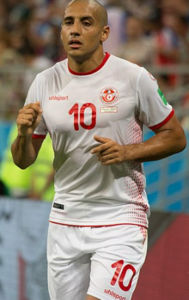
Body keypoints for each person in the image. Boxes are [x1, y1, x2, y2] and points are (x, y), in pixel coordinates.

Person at [11, 0, 187, 300]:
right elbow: (22, 161)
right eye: (68, 22)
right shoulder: (45, 82)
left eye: (85, 23)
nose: (74, 30)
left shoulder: (133, 78)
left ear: (105, 32)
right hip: (66, 219)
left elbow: (175, 136)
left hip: (120, 217)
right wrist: (24, 135)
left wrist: (129, 152)